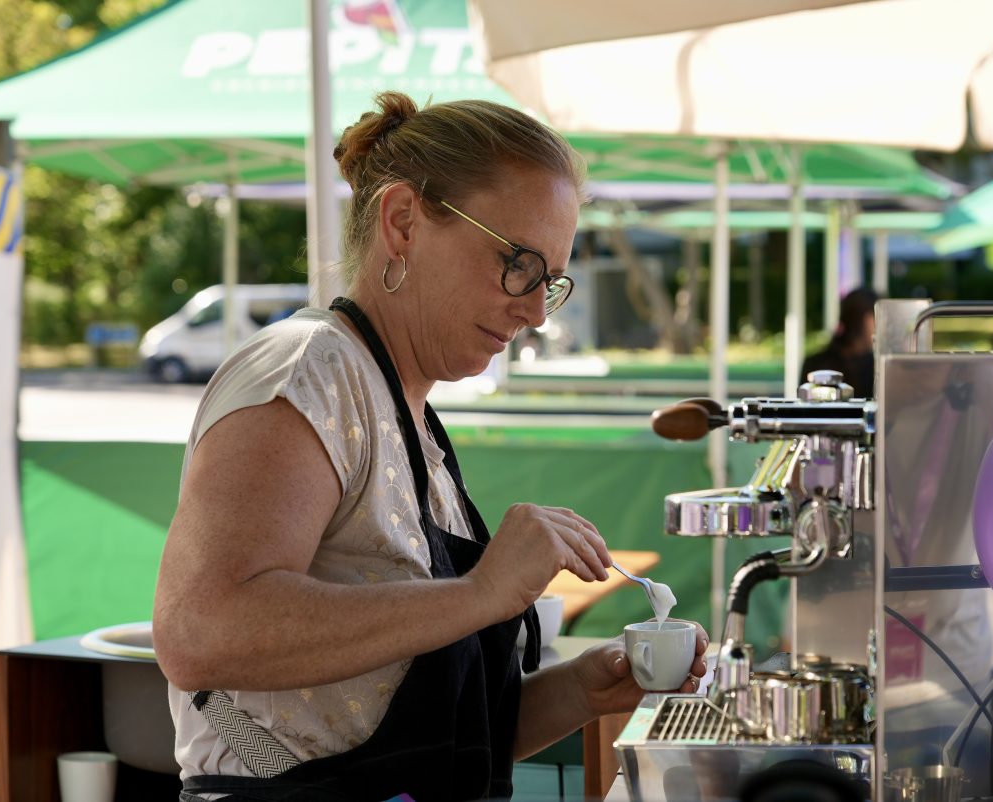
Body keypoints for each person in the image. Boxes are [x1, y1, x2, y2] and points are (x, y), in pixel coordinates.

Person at [152, 91, 708, 802]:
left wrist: (580, 693)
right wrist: (478, 593)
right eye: (517, 263)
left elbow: (425, 750)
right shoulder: (308, 372)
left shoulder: (410, 419)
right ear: (403, 221)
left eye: (552, 281)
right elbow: (201, 631)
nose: (536, 310)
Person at [800, 287, 879, 398]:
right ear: (864, 320)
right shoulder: (875, 369)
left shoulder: (815, 363)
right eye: (876, 319)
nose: (880, 327)